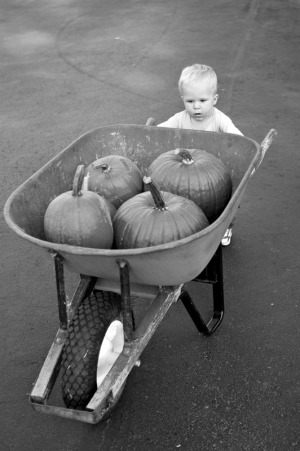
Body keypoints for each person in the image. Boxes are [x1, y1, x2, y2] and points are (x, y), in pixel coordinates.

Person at [157, 63, 243, 246]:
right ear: (183, 99)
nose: (196, 107)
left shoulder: (220, 119)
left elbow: (238, 139)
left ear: (215, 99)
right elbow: (161, 131)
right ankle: (189, 225)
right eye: (190, 101)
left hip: (215, 177)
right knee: (186, 201)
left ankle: (226, 226)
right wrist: (150, 131)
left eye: (203, 101)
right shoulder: (180, 118)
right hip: (185, 176)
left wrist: (245, 154)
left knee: (227, 202)